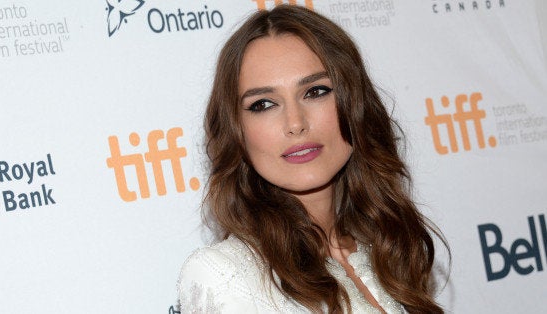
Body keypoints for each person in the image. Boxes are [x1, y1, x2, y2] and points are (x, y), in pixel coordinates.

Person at [177, 5, 447, 314]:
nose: (295, 122)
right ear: (236, 131)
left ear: (354, 103)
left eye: (316, 91)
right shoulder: (223, 275)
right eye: (264, 104)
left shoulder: (386, 251)